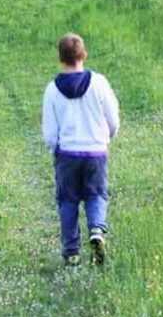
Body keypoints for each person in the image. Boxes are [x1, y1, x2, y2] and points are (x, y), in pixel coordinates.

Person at [42, 33, 120, 265]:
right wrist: (107, 137)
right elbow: (112, 118)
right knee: (96, 194)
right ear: (83, 54)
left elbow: (49, 131)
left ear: (60, 58)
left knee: (68, 200)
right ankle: (96, 230)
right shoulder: (99, 83)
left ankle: (72, 252)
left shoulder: (52, 90)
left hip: (67, 153)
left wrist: (55, 148)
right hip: (96, 151)